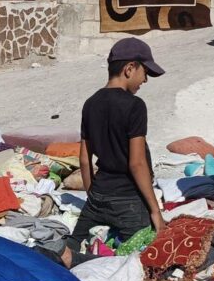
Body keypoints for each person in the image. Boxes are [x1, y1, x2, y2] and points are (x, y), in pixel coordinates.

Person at [67, 38, 167, 253]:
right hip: (128, 200)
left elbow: (85, 159)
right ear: (130, 68)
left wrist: (93, 197)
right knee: (139, 253)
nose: (145, 80)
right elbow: (137, 163)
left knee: (74, 248)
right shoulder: (135, 106)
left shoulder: (91, 103)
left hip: (98, 196)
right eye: (145, 73)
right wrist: (155, 212)